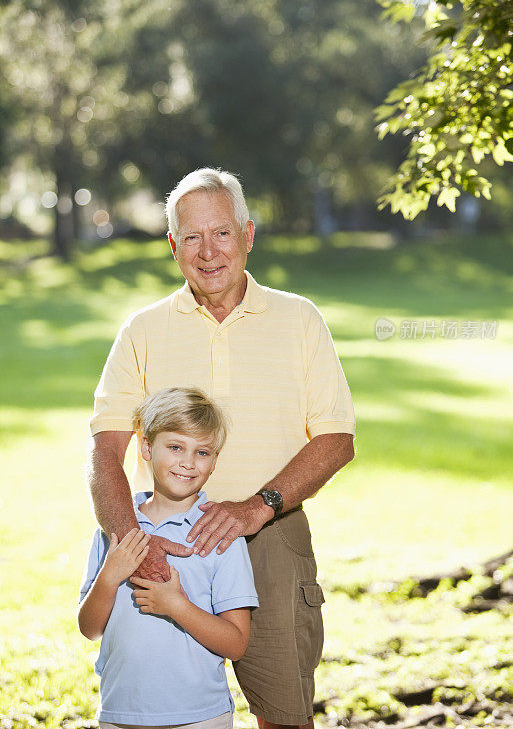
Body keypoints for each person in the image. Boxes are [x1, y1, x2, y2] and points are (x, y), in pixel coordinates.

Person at [87, 167, 356, 729]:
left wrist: (256, 507)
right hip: (163, 542)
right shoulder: (142, 328)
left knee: (284, 714)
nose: (208, 251)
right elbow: (105, 452)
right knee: (158, 711)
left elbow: (336, 438)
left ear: (249, 235)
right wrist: (137, 545)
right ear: (172, 245)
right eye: (191, 237)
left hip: (271, 536)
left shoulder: (299, 319)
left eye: (223, 233)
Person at [79, 386, 258, 729]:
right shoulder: (114, 528)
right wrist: (110, 575)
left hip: (200, 717)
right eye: (175, 447)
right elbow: (90, 629)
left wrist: (177, 605)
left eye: (202, 452)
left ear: (215, 461)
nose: (188, 462)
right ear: (146, 447)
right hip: (120, 712)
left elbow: (236, 644)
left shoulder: (219, 535)